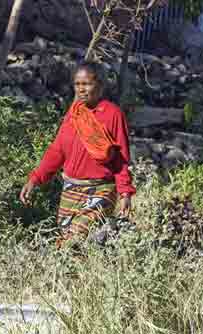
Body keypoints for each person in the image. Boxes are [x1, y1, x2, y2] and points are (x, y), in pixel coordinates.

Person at [20, 61, 136, 248]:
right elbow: (57, 150)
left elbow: (121, 159)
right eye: (77, 84)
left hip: (101, 190)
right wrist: (35, 179)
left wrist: (125, 193)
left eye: (87, 84)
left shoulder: (113, 115)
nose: (81, 89)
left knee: (76, 236)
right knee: (71, 243)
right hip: (71, 190)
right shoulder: (74, 114)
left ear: (100, 85)